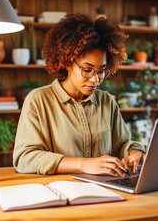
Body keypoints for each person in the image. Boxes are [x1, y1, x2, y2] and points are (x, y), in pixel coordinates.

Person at [13, 13, 146, 177]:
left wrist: (133, 152)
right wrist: (84, 165)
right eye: (87, 69)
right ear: (67, 62)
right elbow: (24, 158)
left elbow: (122, 144)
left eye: (101, 71)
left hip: (106, 191)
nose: (95, 79)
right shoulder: (39, 100)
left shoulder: (106, 101)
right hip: (61, 191)